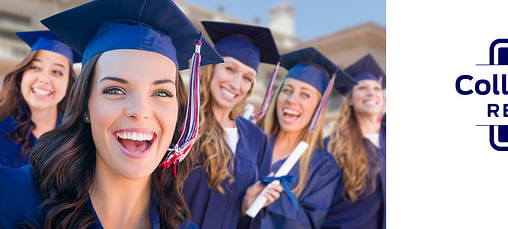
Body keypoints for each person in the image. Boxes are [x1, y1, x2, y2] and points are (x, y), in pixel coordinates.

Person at [0, 0, 224, 228]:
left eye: (161, 92)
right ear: (85, 106)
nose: (140, 111)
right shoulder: (12, 198)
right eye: (115, 90)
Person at [183, 21, 283, 229]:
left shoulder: (257, 139)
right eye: (229, 69)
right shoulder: (182, 121)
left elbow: (249, 219)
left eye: (247, 78)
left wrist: (247, 207)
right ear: (211, 66)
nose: (237, 85)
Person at [258, 47, 355, 229]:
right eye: (287, 90)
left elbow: (308, 224)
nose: (291, 100)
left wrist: (272, 197)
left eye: (305, 94)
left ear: (318, 108)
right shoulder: (251, 142)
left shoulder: (324, 168)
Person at [321, 54, 386, 229]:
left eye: (376, 88)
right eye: (362, 88)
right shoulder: (331, 147)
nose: (371, 92)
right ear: (350, 99)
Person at [0, 30, 79, 168]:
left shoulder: (76, 140)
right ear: (22, 75)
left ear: (68, 85)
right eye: (35, 67)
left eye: (56, 72)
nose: (43, 79)